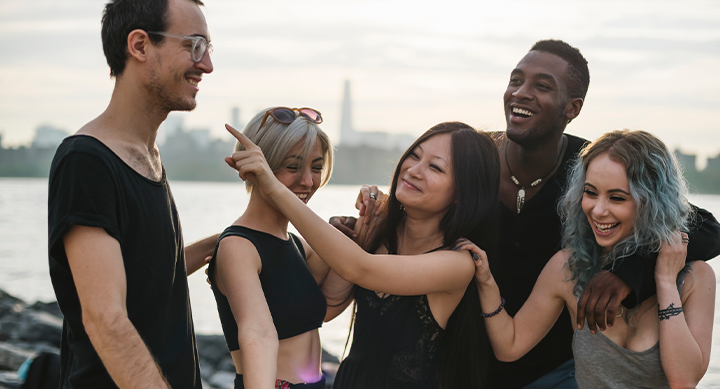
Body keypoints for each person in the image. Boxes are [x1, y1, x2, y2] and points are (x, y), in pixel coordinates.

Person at [337, 39, 720, 388]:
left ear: (573, 108)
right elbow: (421, 202)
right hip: (461, 357)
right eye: (516, 80)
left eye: (542, 85)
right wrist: (367, 220)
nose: (521, 93)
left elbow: (703, 227)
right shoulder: (474, 160)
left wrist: (628, 272)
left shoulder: (588, 165)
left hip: (554, 372)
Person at [226, 121, 500, 388]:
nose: (414, 170)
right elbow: (328, 308)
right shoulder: (379, 228)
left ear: (461, 193)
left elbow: (359, 269)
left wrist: (273, 187)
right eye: (414, 156)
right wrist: (245, 252)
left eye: (435, 167)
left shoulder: (458, 263)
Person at [47, 0, 218, 387]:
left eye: (209, 48)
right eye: (194, 46)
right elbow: (105, 319)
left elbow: (150, 278)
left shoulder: (147, 156)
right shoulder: (86, 160)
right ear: (140, 46)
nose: (207, 64)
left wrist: (227, 242)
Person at [466, 129, 716, 388]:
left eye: (617, 198)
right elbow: (510, 345)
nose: (598, 210)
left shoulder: (695, 278)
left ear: (653, 202)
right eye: (591, 192)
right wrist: (485, 281)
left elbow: (684, 381)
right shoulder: (570, 268)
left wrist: (665, 281)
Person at [207, 107, 335, 389]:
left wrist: (368, 221)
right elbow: (258, 335)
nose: (308, 181)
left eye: (316, 167)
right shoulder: (239, 247)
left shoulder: (298, 246)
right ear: (256, 169)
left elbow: (349, 279)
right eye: (293, 166)